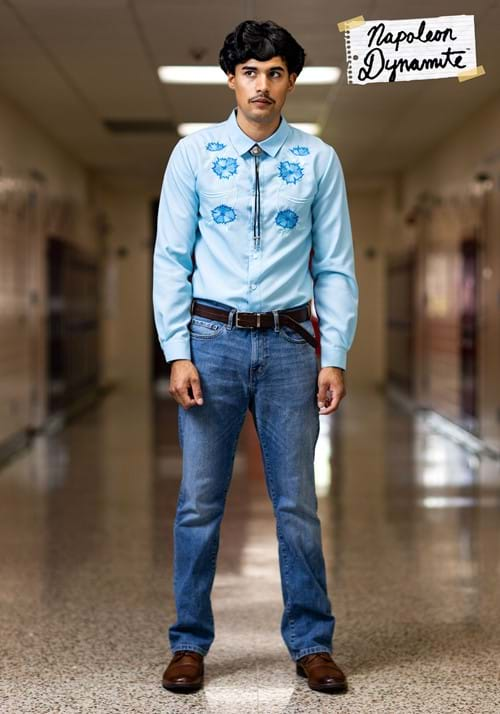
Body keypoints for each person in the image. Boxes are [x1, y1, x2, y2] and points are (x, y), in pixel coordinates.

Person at [152, 19, 358, 695]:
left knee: (297, 500)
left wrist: (336, 353)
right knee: (198, 503)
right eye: (250, 72)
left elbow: (335, 267)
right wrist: (176, 352)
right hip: (211, 342)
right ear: (231, 79)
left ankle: (312, 642)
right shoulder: (194, 156)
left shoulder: (319, 161)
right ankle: (188, 645)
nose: (262, 85)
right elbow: (170, 261)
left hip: (291, 345)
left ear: (290, 80)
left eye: (275, 72)